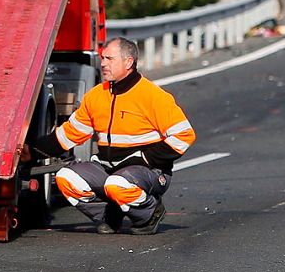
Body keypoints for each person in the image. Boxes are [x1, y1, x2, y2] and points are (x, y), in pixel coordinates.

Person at [34, 38, 195, 235]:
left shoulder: (152, 95)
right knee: (66, 178)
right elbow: (69, 135)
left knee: (117, 185)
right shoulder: (95, 96)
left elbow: (184, 135)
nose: (103, 64)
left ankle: (150, 212)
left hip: (148, 171)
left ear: (128, 62)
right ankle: (110, 215)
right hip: (109, 169)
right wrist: (30, 151)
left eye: (110, 59)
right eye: (102, 58)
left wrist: (144, 158)